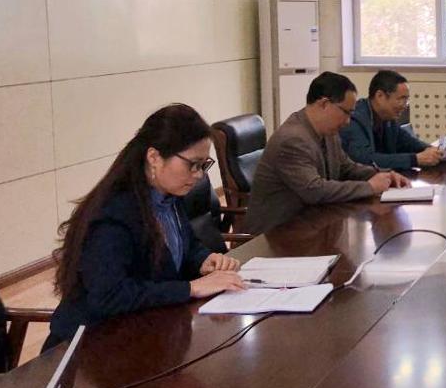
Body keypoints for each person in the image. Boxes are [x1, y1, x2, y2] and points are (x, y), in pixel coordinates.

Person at [46, 104, 246, 351]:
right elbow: (109, 295)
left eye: (204, 165)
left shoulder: (168, 197)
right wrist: (190, 288)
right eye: (193, 164)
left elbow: (184, 247)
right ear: (154, 157)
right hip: (89, 347)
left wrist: (203, 260)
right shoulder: (113, 213)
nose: (198, 175)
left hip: (143, 333)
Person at [243, 72, 410, 235]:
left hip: (311, 225)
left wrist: (383, 175)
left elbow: (346, 168)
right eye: (346, 112)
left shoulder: (328, 132)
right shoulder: (293, 139)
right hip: (276, 235)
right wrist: (370, 187)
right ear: (324, 104)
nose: (348, 121)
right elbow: (314, 190)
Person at [340, 70, 442, 171]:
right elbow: (365, 159)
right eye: (401, 99)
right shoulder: (355, 119)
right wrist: (415, 159)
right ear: (380, 96)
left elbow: (408, 142)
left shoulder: (387, 118)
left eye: (406, 100)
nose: (404, 106)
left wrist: (435, 151)